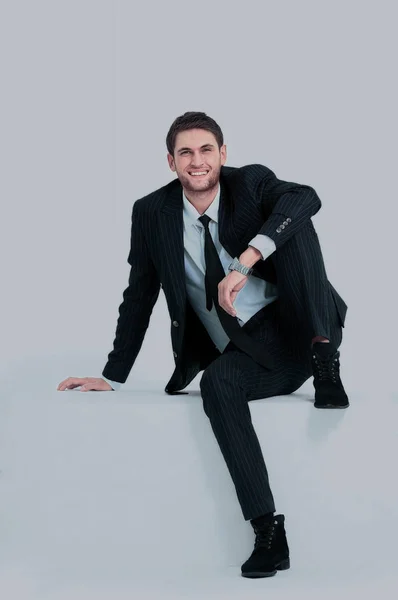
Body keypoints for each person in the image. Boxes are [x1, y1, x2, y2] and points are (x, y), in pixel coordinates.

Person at [57, 111, 349, 578]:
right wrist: (112, 375)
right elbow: (139, 294)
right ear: (171, 162)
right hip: (246, 350)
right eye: (186, 153)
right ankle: (268, 531)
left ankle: (325, 355)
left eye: (206, 150)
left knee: (293, 220)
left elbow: (307, 197)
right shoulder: (151, 212)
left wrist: (247, 260)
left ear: (223, 154)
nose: (198, 161)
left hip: (296, 327)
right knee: (217, 383)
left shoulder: (250, 184)